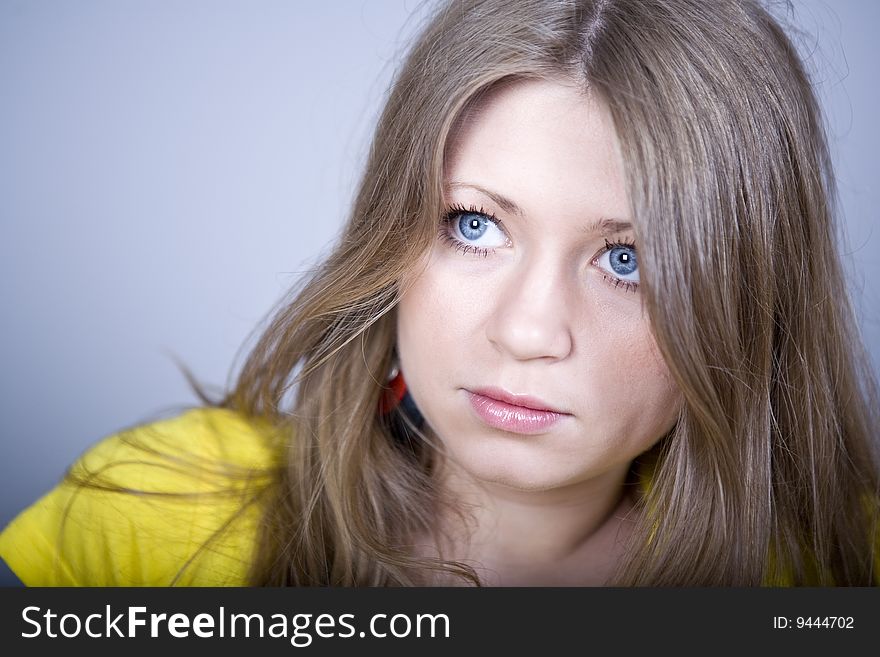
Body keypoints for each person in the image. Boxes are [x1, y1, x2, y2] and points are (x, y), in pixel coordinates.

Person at [1, 0, 878, 587]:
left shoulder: (844, 572)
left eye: (628, 262)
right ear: (390, 237)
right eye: (473, 225)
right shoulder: (151, 519)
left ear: (752, 295)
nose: (529, 330)